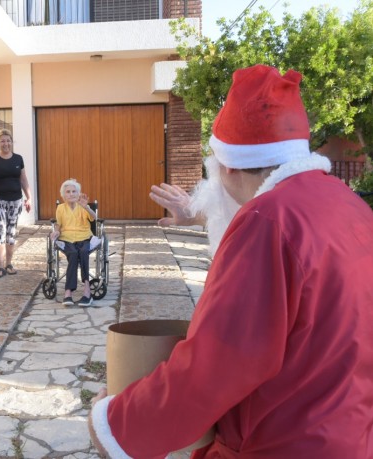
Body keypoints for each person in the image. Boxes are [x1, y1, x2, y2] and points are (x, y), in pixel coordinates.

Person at [89, 64, 373, 458]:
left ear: (227, 165)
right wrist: (196, 214)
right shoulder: (348, 204)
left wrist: (116, 426)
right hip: (349, 434)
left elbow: (215, 364)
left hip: (281, 442)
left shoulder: (265, 223)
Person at [0, 129, 33, 279]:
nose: (6, 143)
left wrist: (29, 198)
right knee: (1, 230)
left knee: (11, 232)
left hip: (16, 201)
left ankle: (9, 264)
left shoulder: (18, 159)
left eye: (8, 140)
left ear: (12, 142)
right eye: (2, 141)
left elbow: (23, 180)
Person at [50, 179, 97, 307]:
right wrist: (56, 232)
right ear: (63, 195)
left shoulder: (83, 206)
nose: (71, 194)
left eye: (74, 191)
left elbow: (94, 218)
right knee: (72, 253)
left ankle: (87, 290)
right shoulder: (60, 208)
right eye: (68, 192)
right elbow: (58, 226)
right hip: (67, 238)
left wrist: (86, 207)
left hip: (84, 237)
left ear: (78, 193)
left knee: (83, 252)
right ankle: (68, 292)